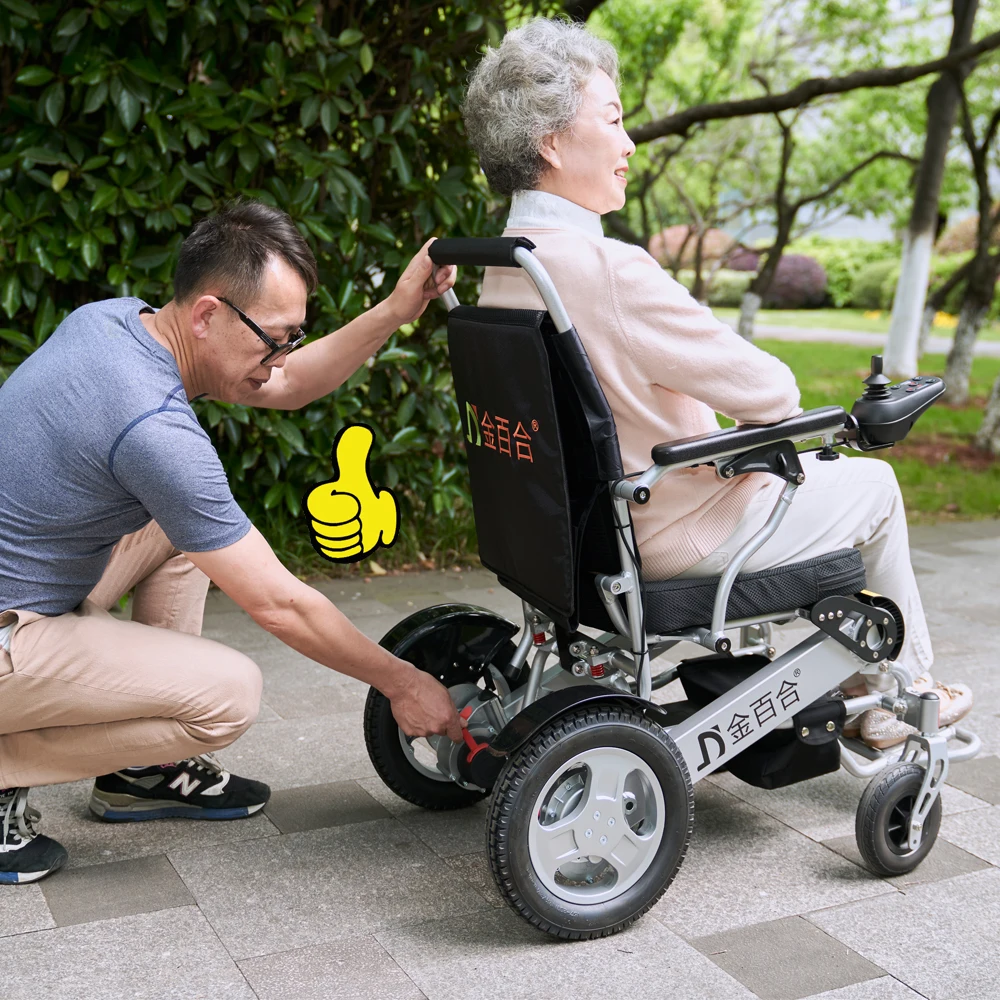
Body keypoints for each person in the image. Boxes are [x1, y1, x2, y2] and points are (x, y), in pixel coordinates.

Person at [462, 17, 972, 751]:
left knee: (799, 480)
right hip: (666, 533)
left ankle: (865, 684)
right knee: (872, 491)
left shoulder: (504, 262)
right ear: (550, 142)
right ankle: (895, 692)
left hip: (566, 539)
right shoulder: (607, 270)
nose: (629, 142)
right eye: (612, 120)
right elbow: (770, 392)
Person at [0, 200, 463, 884]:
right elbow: (280, 606)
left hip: (36, 583)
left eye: (292, 338)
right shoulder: (150, 426)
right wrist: (402, 682)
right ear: (208, 315)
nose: (283, 358)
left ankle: (140, 775)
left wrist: (397, 308)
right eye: (275, 338)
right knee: (230, 694)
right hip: (13, 632)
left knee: (188, 531)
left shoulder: (117, 321)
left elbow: (295, 383)